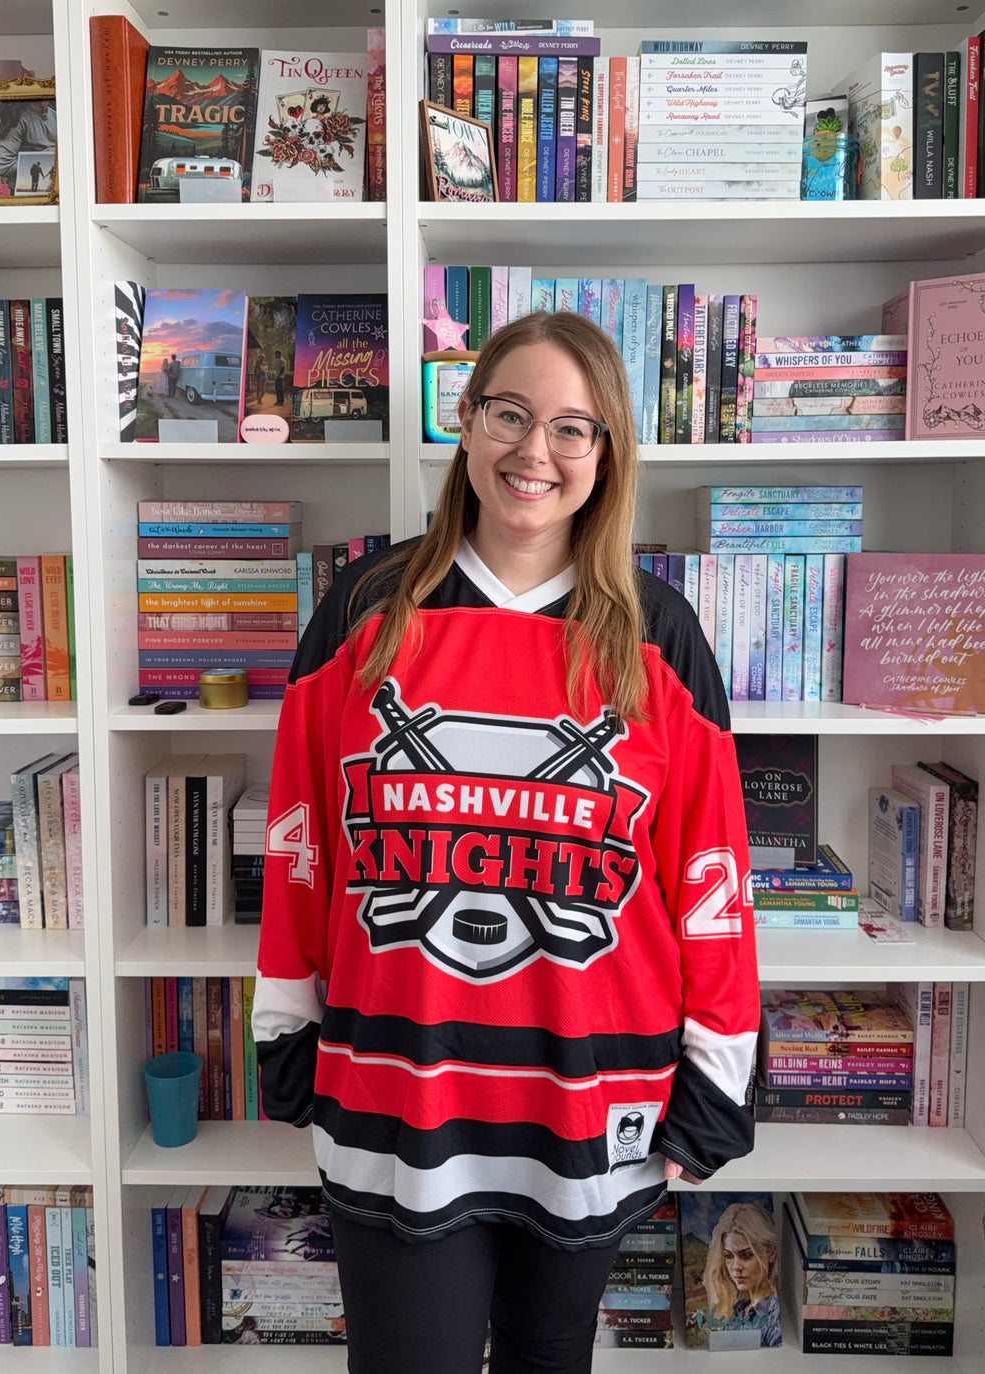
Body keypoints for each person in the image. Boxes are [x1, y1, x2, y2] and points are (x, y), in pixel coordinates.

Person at [252, 309, 759, 1374]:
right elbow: (302, 840)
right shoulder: (364, 609)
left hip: (590, 1098)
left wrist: (717, 1076)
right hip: (397, 1092)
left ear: (606, 452)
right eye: (510, 414)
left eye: (573, 428)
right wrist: (285, 1021)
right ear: (468, 422)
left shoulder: (660, 635)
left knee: (549, 1356)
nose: (536, 451)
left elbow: (710, 876)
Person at [702, 1201, 781, 1347]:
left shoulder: (775, 1313)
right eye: (728, 1256)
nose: (736, 1267)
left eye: (746, 1255)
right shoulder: (739, 1308)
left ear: (771, 1253)